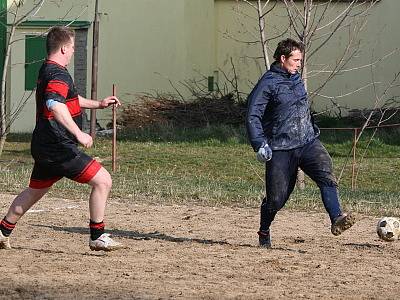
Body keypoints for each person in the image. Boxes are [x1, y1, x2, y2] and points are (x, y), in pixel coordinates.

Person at [0, 26, 123, 251]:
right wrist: (79, 134)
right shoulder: (58, 74)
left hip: (45, 145)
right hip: (58, 146)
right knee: (103, 180)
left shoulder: (47, 70)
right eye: (74, 47)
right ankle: (97, 235)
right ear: (65, 48)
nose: (74, 51)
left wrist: (99, 104)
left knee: (33, 192)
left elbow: (68, 100)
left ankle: (2, 231)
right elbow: (54, 104)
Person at [246, 38, 356, 248]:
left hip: (307, 141)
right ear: (282, 58)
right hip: (280, 148)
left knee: (326, 173)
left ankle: (336, 218)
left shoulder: (295, 79)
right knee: (276, 199)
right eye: (295, 60)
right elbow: (253, 115)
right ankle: (264, 230)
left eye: (300, 60)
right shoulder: (267, 83)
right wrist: (259, 143)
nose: (299, 64)